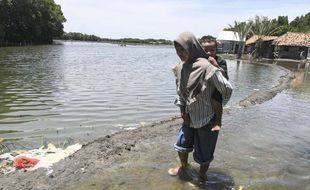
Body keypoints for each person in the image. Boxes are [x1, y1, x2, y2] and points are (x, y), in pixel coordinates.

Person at [169, 32, 233, 184]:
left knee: (204, 152)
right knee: (181, 144)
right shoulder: (180, 68)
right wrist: (182, 111)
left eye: (183, 49)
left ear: (192, 48)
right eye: (177, 50)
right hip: (189, 116)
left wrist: (215, 104)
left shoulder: (206, 66)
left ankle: (202, 176)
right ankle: (184, 166)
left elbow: (227, 88)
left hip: (207, 118)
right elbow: (180, 92)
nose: (180, 53)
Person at [200, 35, 229, 130]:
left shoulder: (220, 60)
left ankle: (218, 121)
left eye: (212, 50)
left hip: (217, 86)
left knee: (215, 99)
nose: (209, 53)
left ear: (216, 50)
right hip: (203, 86)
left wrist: (216, 65)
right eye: (205, 50)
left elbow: (225, 77)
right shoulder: (199, 60)